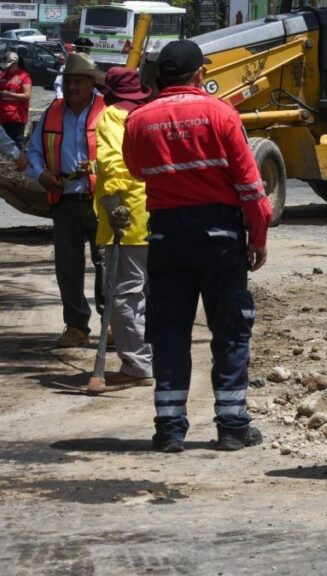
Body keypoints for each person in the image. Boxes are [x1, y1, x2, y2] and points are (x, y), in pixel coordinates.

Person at [123, 40, 272, 453]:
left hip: (167, 238)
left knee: (170, 333)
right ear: (199, 75)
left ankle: (170, 429)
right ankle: (231, 426)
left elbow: (136, 169)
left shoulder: (138, 120)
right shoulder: (221, 113)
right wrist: (258, 236)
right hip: (220, 239)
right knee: (229, 331)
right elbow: (251, 187)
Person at [26, 53, 107, 348]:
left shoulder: (107, 112)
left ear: (91, 84)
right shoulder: (53, 111)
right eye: (69, 81)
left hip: (100, 201)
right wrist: (40, 174)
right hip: (65, 201)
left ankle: (110, 322)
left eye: (78, 82)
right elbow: (34, 150)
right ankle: (76, 325)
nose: (72, 87)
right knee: (68, 267)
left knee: (106, 264)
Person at [86, 67, 155, 394]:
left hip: (126, 218)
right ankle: (149, 359)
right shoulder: (149, 114)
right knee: (144, 293)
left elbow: (114, 162)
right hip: (155, 214)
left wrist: (113, 201)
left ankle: (137, 366)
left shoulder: (112, 116)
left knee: (124, 295)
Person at [0, 52, 32, 148]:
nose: (7, 69)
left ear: (15, 64)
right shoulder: (3, 75)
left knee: (16, 145)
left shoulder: (24, 76)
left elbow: (27, 95)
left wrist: (9, 94)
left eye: (9, 66)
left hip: (16, 117)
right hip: (2, 115)